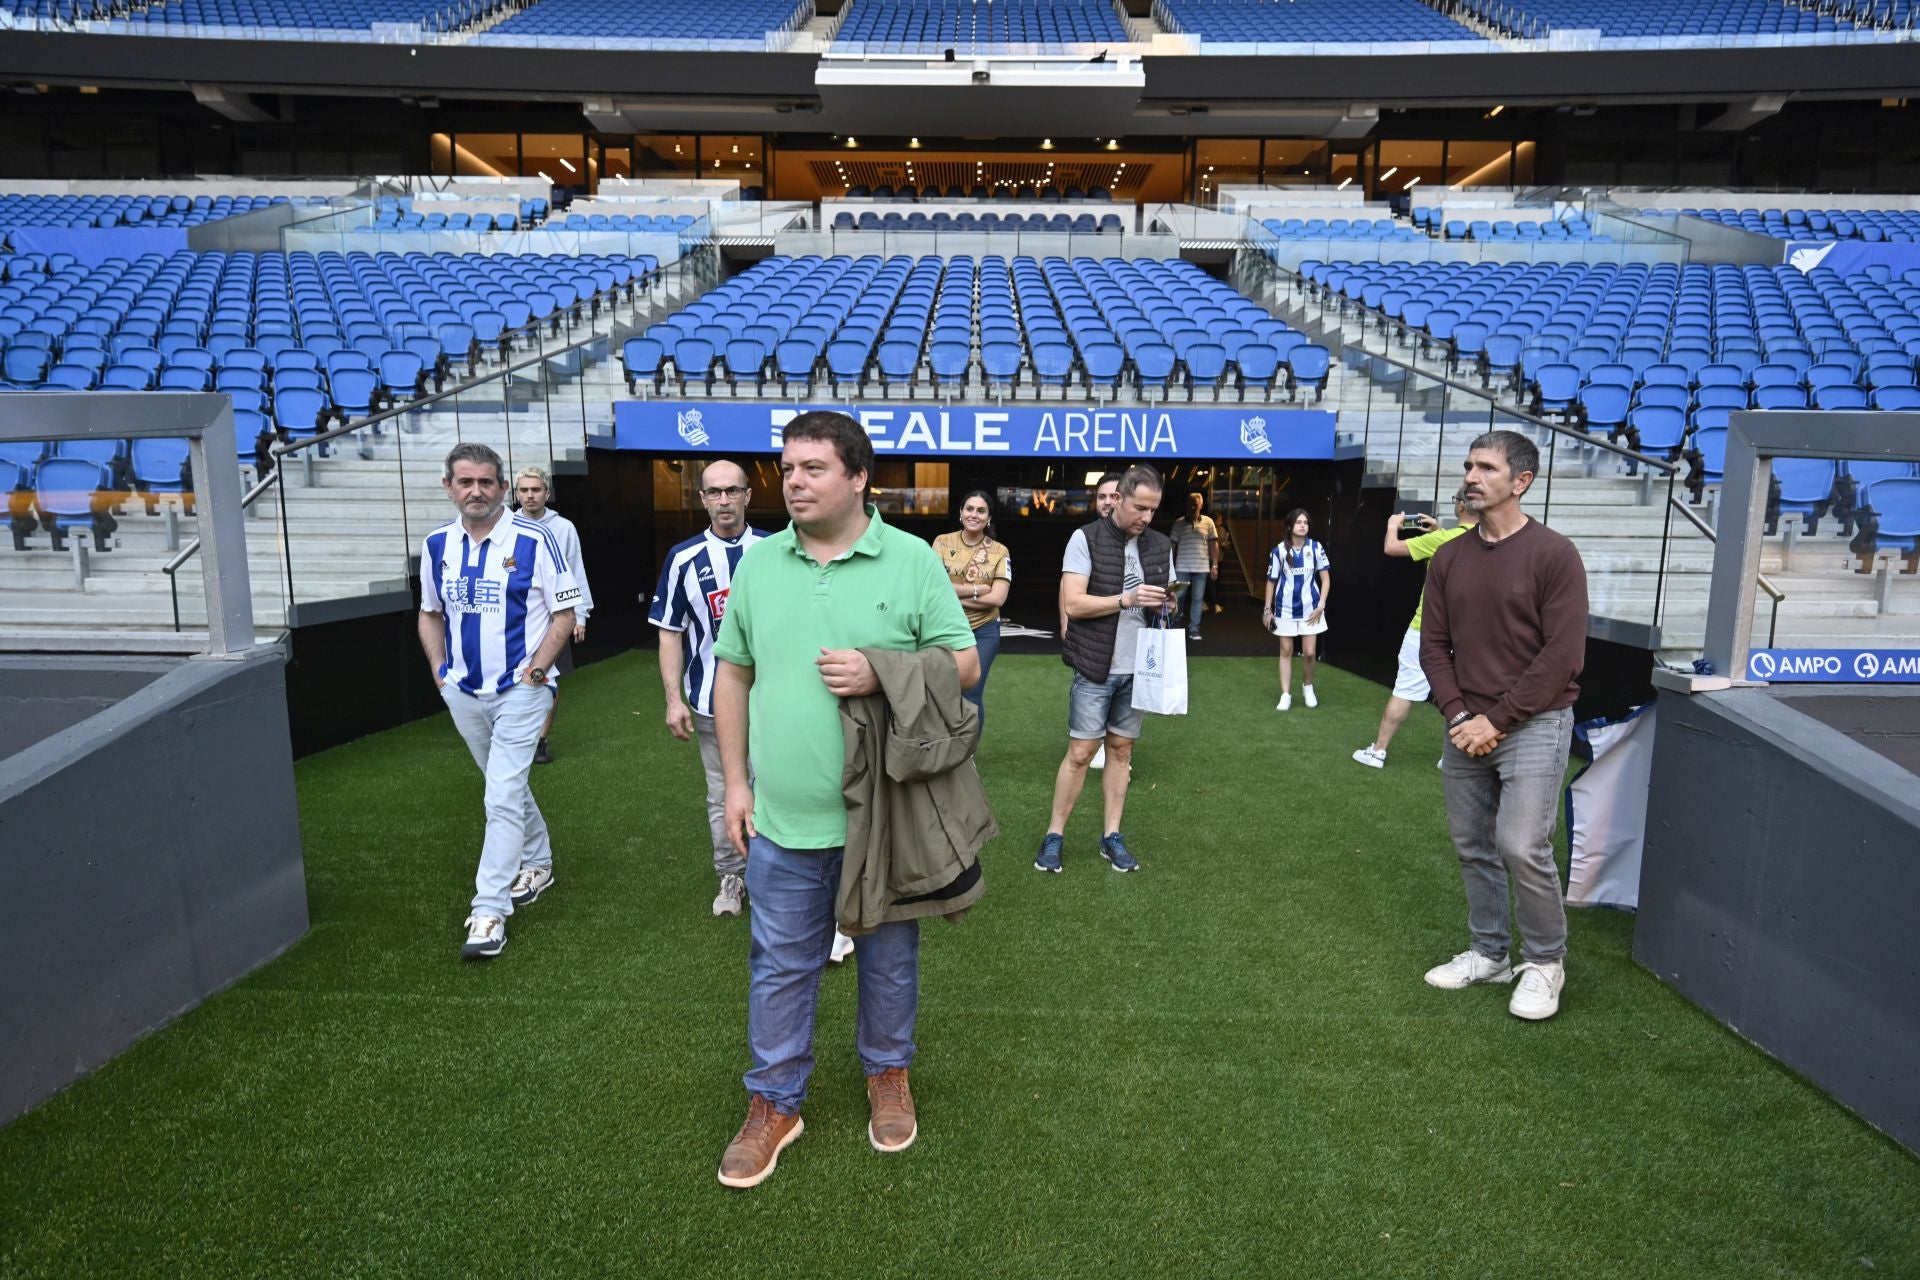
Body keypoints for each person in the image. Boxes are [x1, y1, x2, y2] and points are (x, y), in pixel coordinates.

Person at [711, 411, 980, 1189]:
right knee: (780, 966)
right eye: (787, 468)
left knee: (889, 961)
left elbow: (962, 664)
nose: (793, 481)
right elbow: (733, 672)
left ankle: (887, 1075)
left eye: (812, 468)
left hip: (887, 817)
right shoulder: (760, 566)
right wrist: (734, 782)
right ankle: (774, 1103)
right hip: (785, 819)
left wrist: (879, 668)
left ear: (859, 477)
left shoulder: (909, 560)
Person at [1420, 430, 1589, 1022]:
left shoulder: (1554, 555)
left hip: (1534, 725)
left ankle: (1545, 961)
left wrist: (1497, 719)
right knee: (1473, 847)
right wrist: (1462, 716)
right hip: (1466, 725)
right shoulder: (1449, 556)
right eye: (1469, 465)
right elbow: (1434, 647)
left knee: (1521, 845)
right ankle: (1490, 953)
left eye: (1486, 467)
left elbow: (1562, 656)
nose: (1471, 475)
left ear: (1522, 481)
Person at [417, 443, 580, 960]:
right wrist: (441, 672)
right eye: (465, 482)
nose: (476, 491)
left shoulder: (536, 539)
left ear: (503, 488)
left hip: (522, 690)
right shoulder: (437, 544)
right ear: (449, 487)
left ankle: (489, 911)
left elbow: (565, 612)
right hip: (462, 691)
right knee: (502, 785)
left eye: (486, 482)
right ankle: (539, 860)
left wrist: (536, 671)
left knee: (501, 795)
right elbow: (429, 612)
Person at [1035, 463, 1174, 876]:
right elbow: (1074, 604)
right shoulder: (1085, 539)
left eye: (1154, 510)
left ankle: (1111, 836)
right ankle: (1054, 835)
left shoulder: (1160, 545)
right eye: (1141, 508)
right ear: (1119, 498)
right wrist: (1125, 599)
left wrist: (1168, 602)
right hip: (1097, 664)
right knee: (1080, 753)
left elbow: (1166, 600)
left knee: (1121, 751)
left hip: (1140, 668)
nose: (1147, 517)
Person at [650, 459, 769, 918]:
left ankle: (772, 876)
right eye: (714, 492)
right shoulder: (683, 558)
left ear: (747, 496)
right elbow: (668, 631)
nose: (724, 500)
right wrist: (673, 698)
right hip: (709, 701)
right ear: (701, 498)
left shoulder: (775, 549)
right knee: (723, 791)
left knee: (776, 787)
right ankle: (733, 875)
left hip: (774, 701)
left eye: (732, 491)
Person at [1352, 491, 1476, 769]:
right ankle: (1453, 758)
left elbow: (1391, 547)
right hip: (1465, 634)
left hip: (1428, 630)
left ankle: (1378, 751)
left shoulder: (1443, 540)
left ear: (1460, 505)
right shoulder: (1481, 540)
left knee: (1405, 690)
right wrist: (1440, 531)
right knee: (1459, 695)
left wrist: (1392, 526)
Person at [512, 466, 593, 766]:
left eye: (536, 490)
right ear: (516, 493)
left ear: (547, 493)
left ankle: (540, 742)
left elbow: (575, 570)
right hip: (516, 620)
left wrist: (580, 615)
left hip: (556, 619)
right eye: (524, 490)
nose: (530, 495)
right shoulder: (505, 526)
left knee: (547, 678)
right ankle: (515, 736)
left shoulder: (564, 528)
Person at [930, 490, 1012, 730]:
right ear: (960, 513)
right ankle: (941, 747)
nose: (974, 515)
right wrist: (977, 590)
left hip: (983, 631)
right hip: (945, 627)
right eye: (969, 509)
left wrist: (950, 595)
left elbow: (998, 597)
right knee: (940, 690)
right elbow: (933, 588)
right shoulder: (942, 542)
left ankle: (967, 756)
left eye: (981, 510)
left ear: (988, 518)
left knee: (971, 693)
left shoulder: (1000, 551)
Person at [1262, 508, 1330, 711]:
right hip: (1285, 610)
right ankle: (1285, 695)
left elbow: (1326, 579)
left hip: (1311, 609)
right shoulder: (1279, 551)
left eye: (1305, 522)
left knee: (1309, 653)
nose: (1302, 525)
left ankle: (1307, 687)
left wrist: (1321, 606)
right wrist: (1267, 610)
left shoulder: (1316, 548)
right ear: (1290, 526)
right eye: (1298, 522)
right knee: (1286, 651)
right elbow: (1271, 582)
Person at [1058, 471, 1121, 639]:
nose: (1107, 502)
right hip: (1091, 638)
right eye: (1101, 497)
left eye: (1113, 496)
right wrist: (1065, 627)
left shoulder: (1149, 540)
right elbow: (1066, 585)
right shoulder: (1084, 536)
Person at [1168, 492, 1219, 642]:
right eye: (1190, 503)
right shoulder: (1178, 523)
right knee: (1178, 597)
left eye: (1195, 504)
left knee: (1198, 599)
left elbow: (1213, 544)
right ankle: (1176, 624)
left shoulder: (1209, 522)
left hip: (1202, 568)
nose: (1192, 507)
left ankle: (1194, 629)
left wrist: (1214, 565)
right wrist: (1169, 566)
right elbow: (1172, 546)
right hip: (1181, 567)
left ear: (1201, 505)